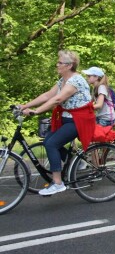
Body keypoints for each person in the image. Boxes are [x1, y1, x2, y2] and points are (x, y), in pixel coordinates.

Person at [20, 50, 95, 196]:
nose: (57, 64)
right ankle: (75, 162)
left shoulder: (76, 80)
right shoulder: (63, 81)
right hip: (67, 119)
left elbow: (57, 99)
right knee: (48, 139)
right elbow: (48, 95)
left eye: (60, 62)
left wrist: (36, 111)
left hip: (79, 121)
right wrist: (25, 106)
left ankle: (58, 183)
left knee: (51, 143)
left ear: (69, 65)